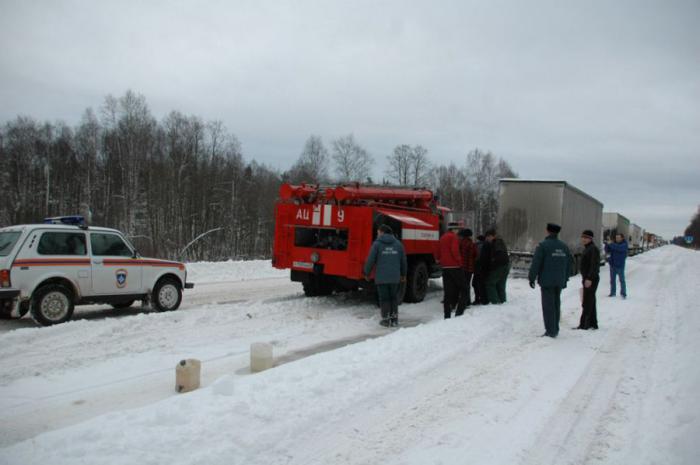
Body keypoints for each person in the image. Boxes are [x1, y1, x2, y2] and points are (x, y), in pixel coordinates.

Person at [528, 223, 573, 338]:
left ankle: (550, 331)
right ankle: (555, 328)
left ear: (547, 231)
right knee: (556, 304)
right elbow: (569, 264)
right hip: (559, 281)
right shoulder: (564, 246)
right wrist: (565, 278)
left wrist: (532, 277)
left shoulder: (543, 246)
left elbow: (536, 263)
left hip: (547, 281)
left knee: (548, 306)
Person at [363, 224, 407, 327]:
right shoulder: (398, 244)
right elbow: (403, 261)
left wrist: (366, 272)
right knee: (393, 298)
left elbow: (371, 260)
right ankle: (394, 319)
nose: (377, 234)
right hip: (395, 278)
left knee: (384, 299)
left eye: (378, 232)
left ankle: (386, 320)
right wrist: (403, 274)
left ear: (382, 232)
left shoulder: (377, 244)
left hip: (382, 278)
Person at [438, 222, 467, 318]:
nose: (458, 231)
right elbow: (455, 250)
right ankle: (459, 313)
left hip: (445, 267)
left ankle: (447, 315)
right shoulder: (453, 237)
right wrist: (459, 262)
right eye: (457, 229)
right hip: (455, 266)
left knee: (448, 292)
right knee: (464, 289)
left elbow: (437, 252)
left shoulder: (442, 237)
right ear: (454, 229)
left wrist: (440, 260)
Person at [575, 229, 600, 330]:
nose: (584, 239)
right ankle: (593, 323)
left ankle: (584, 324)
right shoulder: (588, 248)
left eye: (586, 238)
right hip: (587, 278)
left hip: (591, 279)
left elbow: (594, 265)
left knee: (587, 302)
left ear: (591, 239)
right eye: (583, 237)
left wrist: (589, 278)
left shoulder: (593, 249)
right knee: (591, 300)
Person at [484, 229, 510, 304]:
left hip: (500, 266)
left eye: (488, 237)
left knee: (490, 283)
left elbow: (499, 255)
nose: (487, 239)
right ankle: (502, 301)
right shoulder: (500, 241)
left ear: (493, 236)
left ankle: (495, 302)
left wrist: (493, 263)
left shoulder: (497, 242)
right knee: (501, 284)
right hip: (505, 265)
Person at [458, 228, 478, 309]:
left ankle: (463, 301)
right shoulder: (472, 244)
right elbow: (476, 255)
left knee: (462, 285)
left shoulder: (461, 243)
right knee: (467, 285)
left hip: (461, 267)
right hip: (469, 268)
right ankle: (467, 301)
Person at [605, 233, 628, 298]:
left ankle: (623, 293)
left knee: (622, 280)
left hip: (620, 265)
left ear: (622, 238)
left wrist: (610, 244)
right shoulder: (613, 244)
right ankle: (612, 293)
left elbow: (619, 248)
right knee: (612, 280)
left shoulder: (624, 244)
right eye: (616, 237)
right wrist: (607, 243)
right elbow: (607, 250)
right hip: (612, 265)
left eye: (618, 237)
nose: (617, 239)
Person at [472, 234, 487, 305]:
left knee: (476, 284)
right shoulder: (484, 245)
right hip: (482, 268)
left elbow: (477, 257)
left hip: (478, 268)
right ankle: (481, 299)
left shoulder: (479, 246)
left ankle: (479, 299)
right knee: (480, 284)